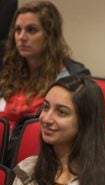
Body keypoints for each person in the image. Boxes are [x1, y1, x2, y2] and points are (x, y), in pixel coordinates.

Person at [0, 1, 90, 131]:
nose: (22, 37)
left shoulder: (72, 76)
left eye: (31, 30)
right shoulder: (9, 69)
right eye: (18, 30)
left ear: (49, 35)